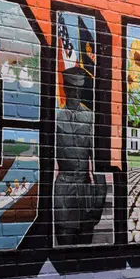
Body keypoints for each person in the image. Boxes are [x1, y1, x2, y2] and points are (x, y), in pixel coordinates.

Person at [53, 67, 107, 246]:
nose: (75, 93)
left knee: (85, 251)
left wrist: (99, 199)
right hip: (63, 196)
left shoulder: (90, 119)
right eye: (72, 88)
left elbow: (98, 162)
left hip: (85, 195)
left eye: (78, 89)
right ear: (66, 89)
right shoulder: (56, 118)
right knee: (65, 249)